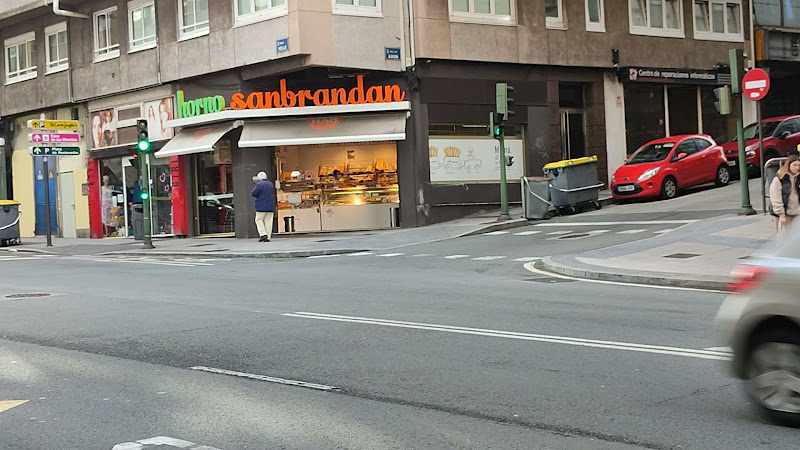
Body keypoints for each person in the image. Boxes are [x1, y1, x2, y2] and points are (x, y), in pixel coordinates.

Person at [770, 154, 800, 234]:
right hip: (785, 213)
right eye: (794, 165)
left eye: (799, 165)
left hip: (797, 212)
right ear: (788, 165)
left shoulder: (798, 177)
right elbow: (775, 197)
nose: (797, 167)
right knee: (784, 237)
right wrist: (781, 214)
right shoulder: (780, 178)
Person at [251, 171, 276, 242]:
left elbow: (254, 193)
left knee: (258, 220)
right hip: (270, 206)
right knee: (268, 221)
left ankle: (263, 234)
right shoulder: (270, 184)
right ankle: (268, 237)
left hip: (261, 206)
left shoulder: (259, 184)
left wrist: (256, 184)